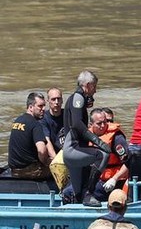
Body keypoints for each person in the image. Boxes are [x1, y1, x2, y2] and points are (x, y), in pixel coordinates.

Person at [62, 70, 111, 206]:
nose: (95, 91)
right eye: (94, 86)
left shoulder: (78, 99)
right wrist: (98, 142)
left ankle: (79, 218)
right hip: (73, 149)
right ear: (88, 85)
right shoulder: (78, 97)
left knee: (78, 194)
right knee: (103, 155)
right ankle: (89, 193)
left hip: (74, 152)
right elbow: (77, 124)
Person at [8, 92, 51, 180]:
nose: (43, 109)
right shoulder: (35, 124)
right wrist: (47, 162)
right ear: (31, 107)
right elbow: (42, 151)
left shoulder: (17, 120)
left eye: (44, 106)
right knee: (60, 168)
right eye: (40, 106)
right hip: (30, 171)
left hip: (14, 170)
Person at [40, 87, 64, 161]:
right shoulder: (43, 119)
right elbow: (47, 141)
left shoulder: (68, 115)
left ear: (62, 100)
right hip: (53, 153)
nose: (56, 102)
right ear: (48, 101)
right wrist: (56, 159)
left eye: (58, 99)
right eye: (53, 99)